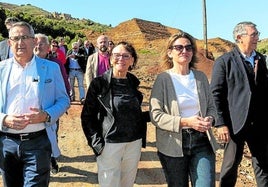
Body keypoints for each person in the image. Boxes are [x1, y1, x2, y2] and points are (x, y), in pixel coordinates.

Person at [0, 21, 70, 186]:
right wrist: (3, 119)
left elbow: (64, 100)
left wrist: (46, 115)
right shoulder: (1, 69)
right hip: (6, 144)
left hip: (38, 142)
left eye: (25, 37)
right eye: (15, 38)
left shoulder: (51, 68)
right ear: (9, 43)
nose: (20, 42)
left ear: (34, 41)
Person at [149, 31, 217, 187]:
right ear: (170, 52)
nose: (184, 51)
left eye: (188, 48)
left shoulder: (200, 77)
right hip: (173, 144)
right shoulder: (163, 79)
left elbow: (212, 107)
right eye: (179, 47)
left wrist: (210, 119)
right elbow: (156, 115)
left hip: (202, 140)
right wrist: (187, 122)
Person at [81, 41, 149, 187]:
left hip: (133, 143)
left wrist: (157, 115)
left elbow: (133, 115)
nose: (121, 59)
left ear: (132, 60)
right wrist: (97, 143)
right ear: (111, 58)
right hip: (109, 144)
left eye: (126, 56)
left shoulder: (133, 83)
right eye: (117, 55)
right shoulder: (99, 84)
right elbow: (87, 116)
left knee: (127, 183)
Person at [210, 21, 268, 187]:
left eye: (257, 34)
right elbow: (216, 94)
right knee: (230, 165)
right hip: (235, 123)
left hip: (259, 124)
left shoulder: (261, 59)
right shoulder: (225, 61)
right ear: (239, 37)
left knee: (263, 165)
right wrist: (221, 123)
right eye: (254, 34)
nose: (258, 37)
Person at [34, 33, 71, 174]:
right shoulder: (24, 65)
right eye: (36, 43)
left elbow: (64, 83)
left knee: (52, 134)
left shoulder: (56, 64)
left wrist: (64, 102)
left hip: (52, 108)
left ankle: (51, 158)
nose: (38, 46)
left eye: (42, 43)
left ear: (49, 47)